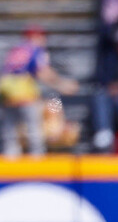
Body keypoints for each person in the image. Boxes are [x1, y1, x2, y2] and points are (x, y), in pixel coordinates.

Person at [1, 25, 79, 158]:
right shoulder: (35, 49)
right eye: (42, 36)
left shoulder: (16, 49)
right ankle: (36, 157)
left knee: (10, 130)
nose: (44, 39)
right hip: (24, 93)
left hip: (7, 94)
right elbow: (43, 72)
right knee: (33, 127)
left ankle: (10, 157)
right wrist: (63, 85)